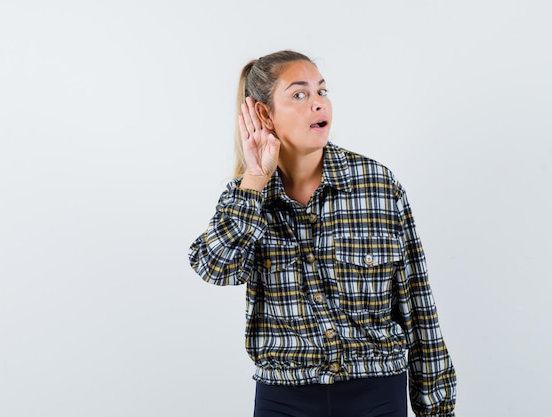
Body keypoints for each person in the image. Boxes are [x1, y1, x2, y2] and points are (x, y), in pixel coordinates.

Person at [188, 50, 456, 417]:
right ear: (264, 113)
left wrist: (436, 408)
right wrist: (254, 180)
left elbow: (417, 303)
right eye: (299, 95)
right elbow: (216, 269)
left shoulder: (376, 185)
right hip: (284, 398)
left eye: (322, 92)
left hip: (376, 393)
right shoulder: (246, 197)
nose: (318, 104)